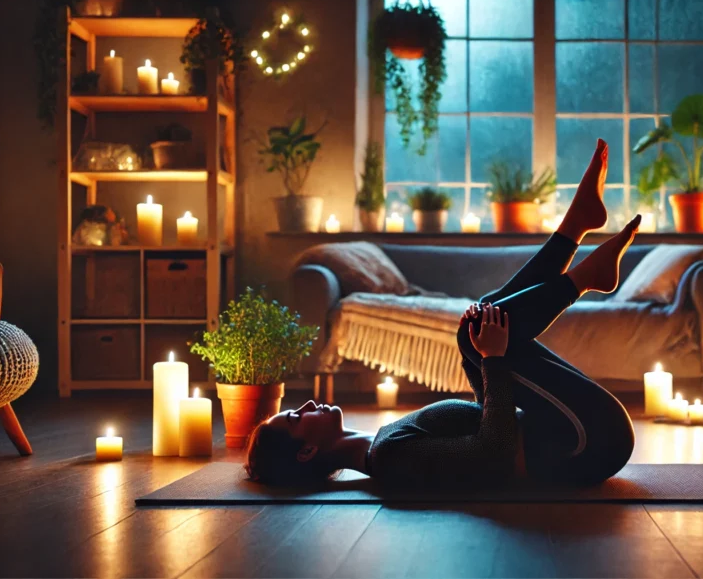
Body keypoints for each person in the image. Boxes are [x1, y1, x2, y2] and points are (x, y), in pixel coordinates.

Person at [245, 139, 639, 488]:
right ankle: (582, 267)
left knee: (476, 323)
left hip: (575, 430)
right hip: (588, 442)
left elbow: (488, 423)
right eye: (296, 417)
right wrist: (493, 362)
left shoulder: (385, 444)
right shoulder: (391, 460)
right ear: (307, 452)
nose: (307, 405)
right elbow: (495, 452)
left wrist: (483, 361)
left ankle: (576, 231)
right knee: (477, 335)